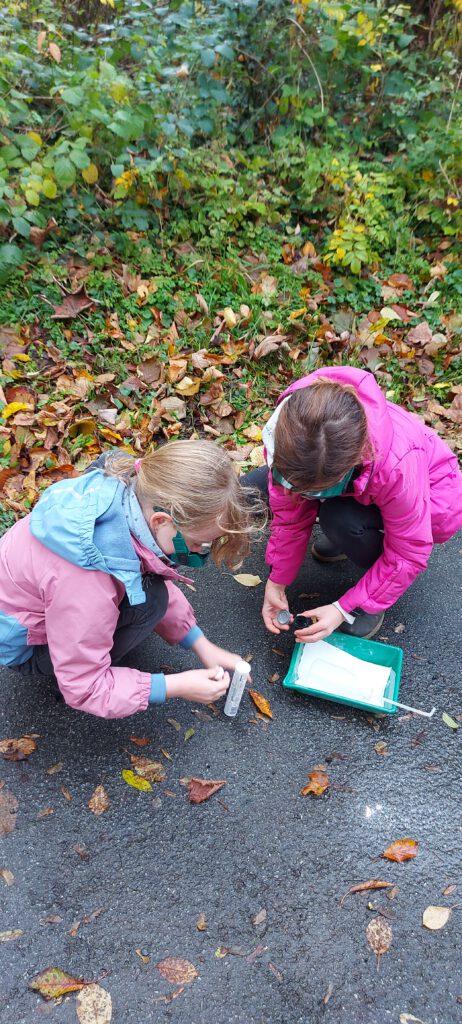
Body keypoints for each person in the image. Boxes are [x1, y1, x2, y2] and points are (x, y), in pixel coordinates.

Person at [0, 440, 259, 717]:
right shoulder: (88, 580)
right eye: (198, 544)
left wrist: (201, 644)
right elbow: (84, 687)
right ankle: (83, 667)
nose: (198, 553)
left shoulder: (127, 498)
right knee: (150, 602)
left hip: (49, 608)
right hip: (28, 648)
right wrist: (174, 685)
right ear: (161, 521)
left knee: (152, 595)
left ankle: (90, 652)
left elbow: (143, 568)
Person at [247, 366, 462, 642]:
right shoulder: (293, 434)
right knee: (337, 517)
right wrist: (277, 581)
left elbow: (408, 552)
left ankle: (372, 596)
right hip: (364, 488)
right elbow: (290, 515)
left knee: (342, 520)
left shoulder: (398, 468)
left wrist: (344, 608)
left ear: (351, 468)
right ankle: (348, 534)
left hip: (432, 502)